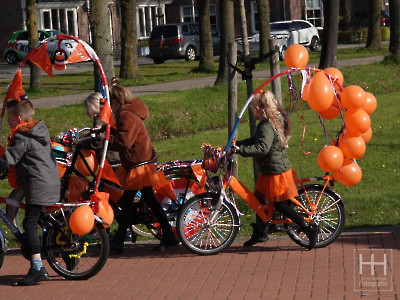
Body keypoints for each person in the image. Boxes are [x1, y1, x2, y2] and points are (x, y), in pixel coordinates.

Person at [233, 90, 320, 250]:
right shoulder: (266, 124)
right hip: (269, 172)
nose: (252, 112)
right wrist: (238, 143)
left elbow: (262, 148)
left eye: (254, 109)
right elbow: (254, 140)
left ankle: (308, 227)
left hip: (276, 173)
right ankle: (260, 232)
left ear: (261, 109)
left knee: (280, 205)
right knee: (258, 201)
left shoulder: (266, 126)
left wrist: (240, 150)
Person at [105, 84, 179, 253]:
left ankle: (118, 241)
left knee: (126, 203)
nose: (109, 107)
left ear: (116, 102)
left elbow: (125, 141)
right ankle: (168, 235)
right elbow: (123, 133)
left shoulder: (125, 115)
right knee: (148, 200)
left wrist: (105, 142)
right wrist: (107, 130)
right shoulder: (130, 112)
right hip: (141, 162)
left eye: (110, 103)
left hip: (138, 164)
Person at [0, 100, 60, 285]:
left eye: (9, 120)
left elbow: (10, 158)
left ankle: (37, 268)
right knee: (39, 221)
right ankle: (59, 252)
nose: (9, 124)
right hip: (50, 182)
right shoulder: (38, 132)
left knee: (29, 222)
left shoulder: (22, 137)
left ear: (18, 119)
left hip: (38, 185)